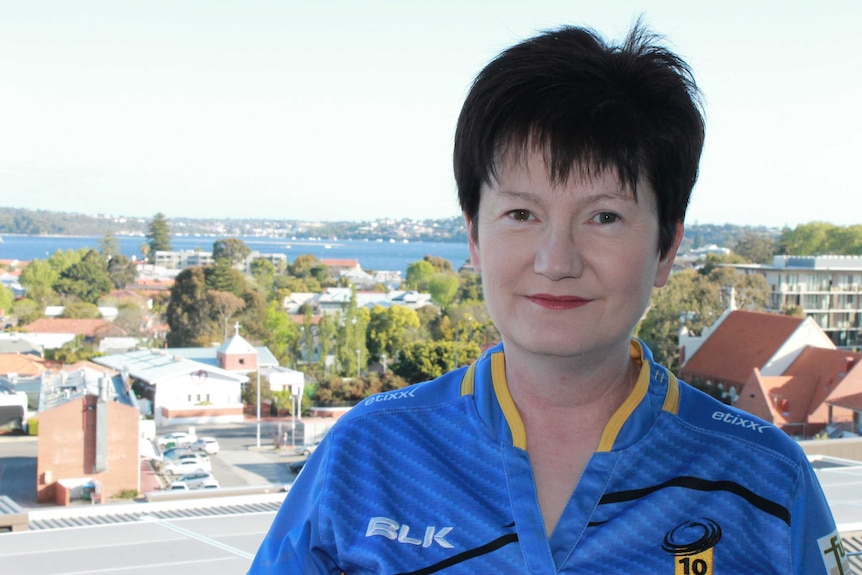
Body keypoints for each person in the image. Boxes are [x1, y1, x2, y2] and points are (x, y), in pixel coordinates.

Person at [249, 22, 847, 574]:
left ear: (666, 249)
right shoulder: (370, 452)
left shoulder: (764, 479)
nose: (556, 261)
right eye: (521, 213)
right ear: (475, 239)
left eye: (605, 216)